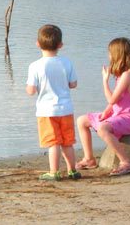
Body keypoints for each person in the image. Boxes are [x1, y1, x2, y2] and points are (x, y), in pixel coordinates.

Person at [76, 38, 130, 176]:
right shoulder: (122, 75)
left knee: (102, 129)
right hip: (117, 115)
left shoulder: (128, 75)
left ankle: (126, 161)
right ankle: (89, 159)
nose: (109, 56)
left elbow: (112, 99)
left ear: (117, 54)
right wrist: (106, 112)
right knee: (82, 121)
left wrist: (104, 81)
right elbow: (115, 103)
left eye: (110, 53)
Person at [26, 24, 81, 181]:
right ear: (60, 45)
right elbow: (73, 84)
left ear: (37, 43)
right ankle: (72, 170)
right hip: (66, 109)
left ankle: (54, 171)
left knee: (53, 143)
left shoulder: (35, 66)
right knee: (67, 142)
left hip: (46, 110)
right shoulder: (67, 62)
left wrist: (31, 88)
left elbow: (30, 91)